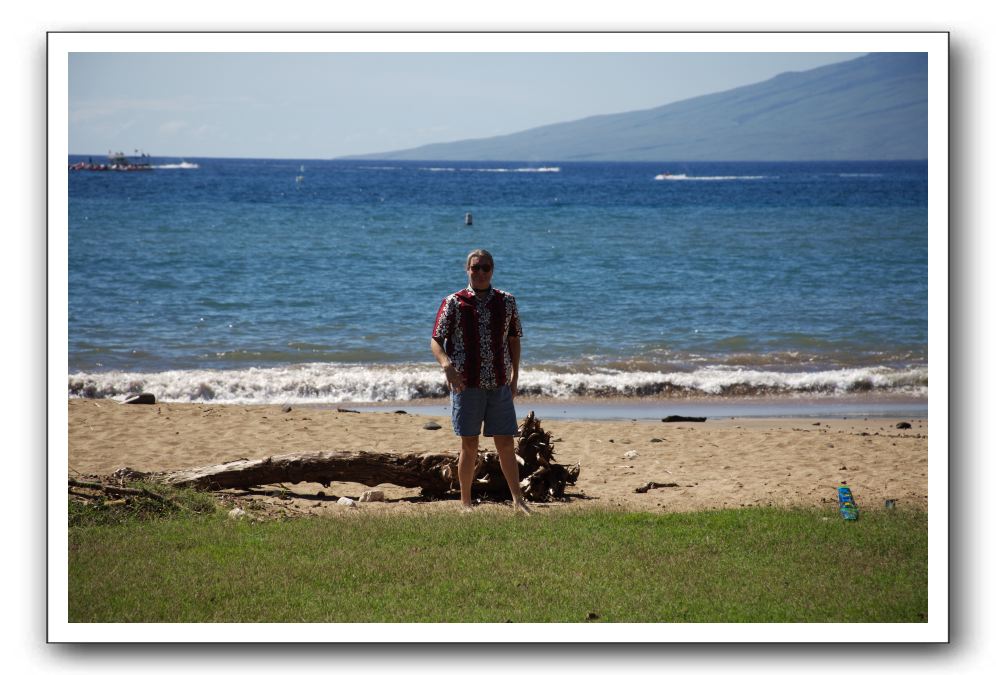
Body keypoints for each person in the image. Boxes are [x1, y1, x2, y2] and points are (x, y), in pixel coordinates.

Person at [430, 249, 531, 514]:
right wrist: (447, 367)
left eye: (485, 267)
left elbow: (514, 339)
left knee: (506, 443)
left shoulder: (507, 301)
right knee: (469, 444)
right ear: (467, 270)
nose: (481, 272)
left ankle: (518, 501)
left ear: (492, 270)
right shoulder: (454, 302)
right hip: (466, 385)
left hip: (498, 383)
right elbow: (436, 340)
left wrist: (515, 375)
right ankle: (465, 503)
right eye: (475, 268)